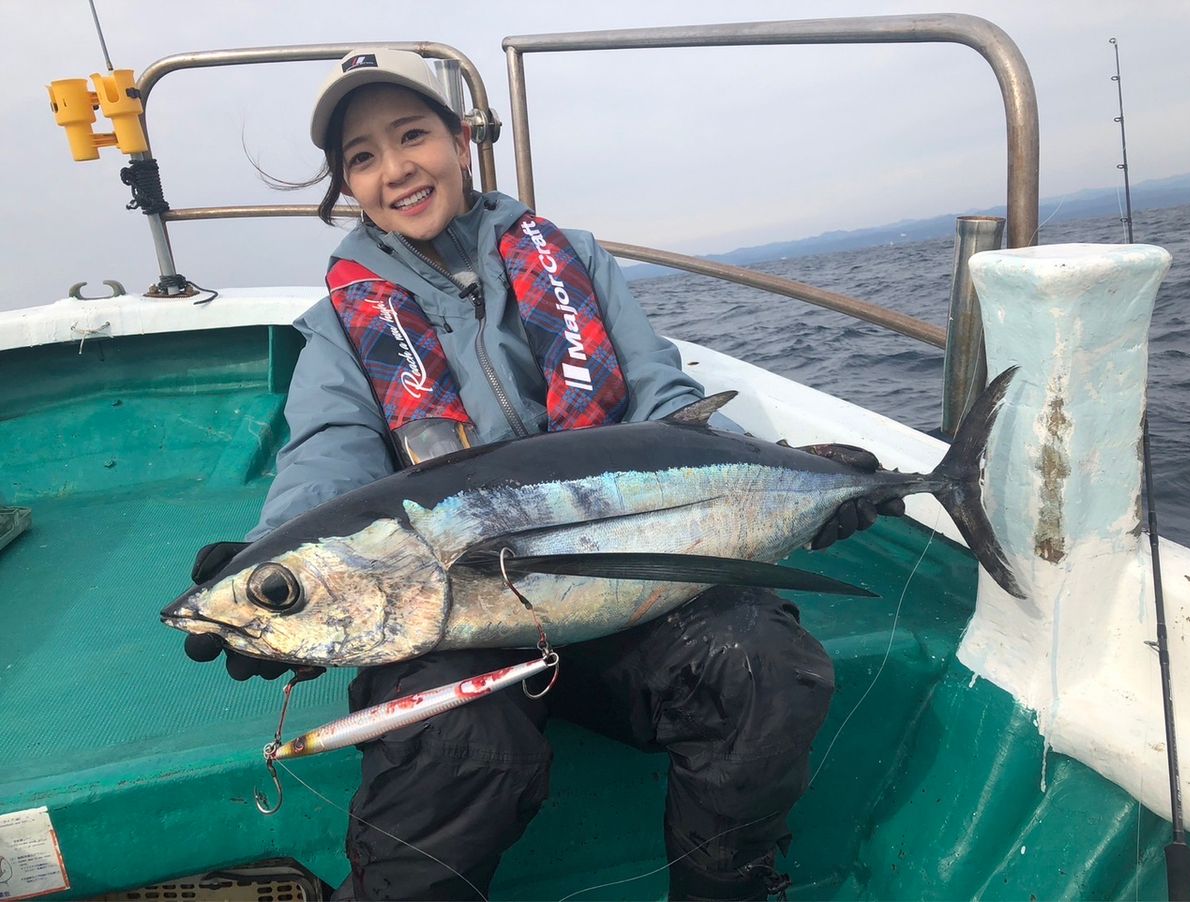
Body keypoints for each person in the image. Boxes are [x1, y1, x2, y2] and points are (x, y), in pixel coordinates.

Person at [185, 48, 902, 901]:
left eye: (412, 135)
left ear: (460, 141)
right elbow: (327, 456)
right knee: (453, 744)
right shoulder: (341, 327)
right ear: (349, 186)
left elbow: (664, 398)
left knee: (760, 665)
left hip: (632, 578)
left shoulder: (577, 257)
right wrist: (273, 562)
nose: (395, 169)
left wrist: (789, 478)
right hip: (458, 616)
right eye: (363, 158)